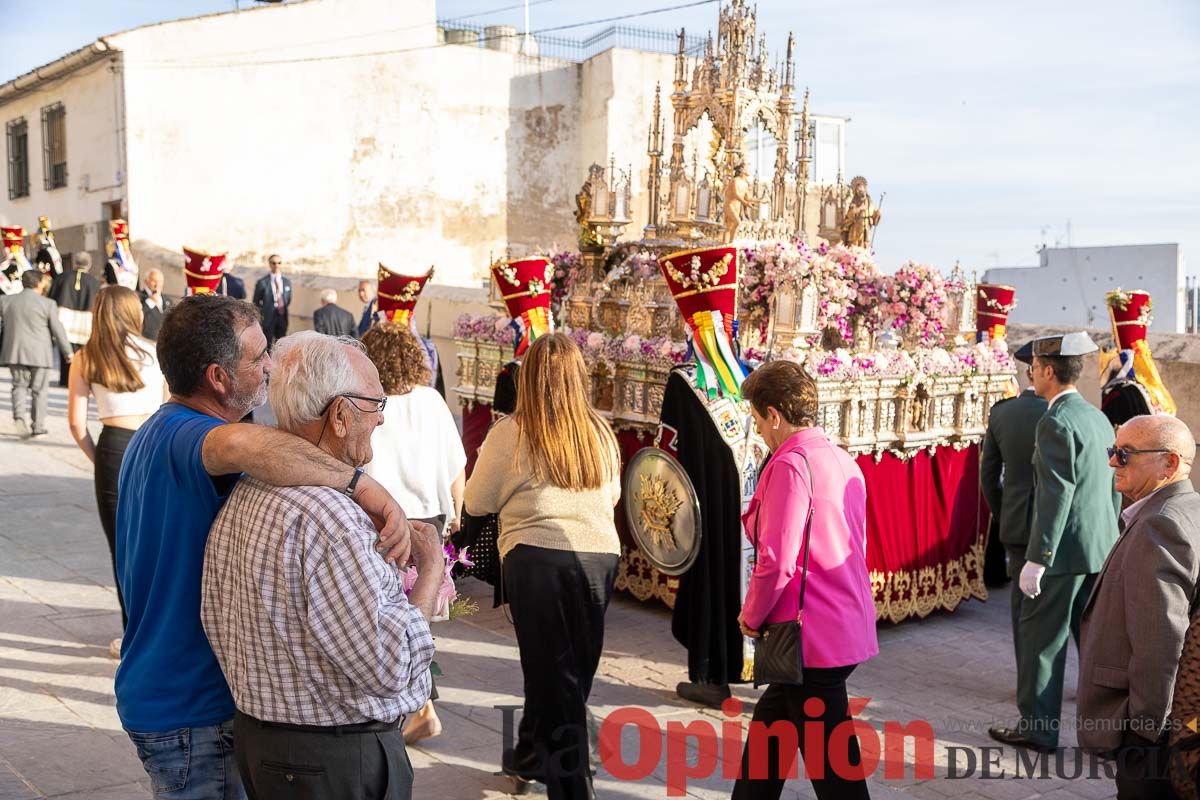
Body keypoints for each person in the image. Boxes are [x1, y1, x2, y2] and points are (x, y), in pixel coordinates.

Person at [114, 293, 414, 799]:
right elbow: (242, 445)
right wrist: (365, 487)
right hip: (191, 708)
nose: (270, 368)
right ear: (217, 377)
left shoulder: (156, 431)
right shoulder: (189, 434)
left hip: (169, 693)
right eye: (258, 358)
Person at [202, 331, 439, 799]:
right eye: (376, 406)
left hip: (264, 744)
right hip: (329, 763)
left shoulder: (249, 490)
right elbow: (392, 666)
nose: (381, 420)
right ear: (340, 416)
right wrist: (430, 570)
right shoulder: (333, 519)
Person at [464, 333, 621, 799]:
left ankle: (573, 790)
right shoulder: (600, 431)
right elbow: (611, 496)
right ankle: (531, 757)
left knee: (557, 679)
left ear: (528, 379)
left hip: (536, 559)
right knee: (567, 673)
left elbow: (477, 501)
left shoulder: (511, 431)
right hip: (598, 557)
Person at [731, 360, 877, 800]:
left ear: (774, 414)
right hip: (837, 625)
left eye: (757, 421)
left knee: (836, 773)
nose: (758, 432)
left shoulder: (790, 464)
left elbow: (776, 559)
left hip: (809, 635)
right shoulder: (841, 458)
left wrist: (751, 615)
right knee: (770, 739)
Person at [989, 332, 1121, 753]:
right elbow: (1113, 487)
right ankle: (1108, 728)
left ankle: (1039, 729)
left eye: (1034, 368)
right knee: (1096, 644)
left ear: (1047, 370)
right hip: (1096, 548)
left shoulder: (1056, 420)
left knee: (1041, 643)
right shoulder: (1096, 416)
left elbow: (1055, 494)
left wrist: (1038, 558)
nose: (1031, 374)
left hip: (1061, 553)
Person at [1077, 415, 1200, 799]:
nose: (1113, 462)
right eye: (1114, 451)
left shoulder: (1160, 524)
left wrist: (1147, 734)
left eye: (1125, 454)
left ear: (1171, 463)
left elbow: (1160, 641)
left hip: (1148, 729)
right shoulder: (1184, 507)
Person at [362, 321, 466, 745]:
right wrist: (457, 511)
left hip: (386, 517)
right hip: (432, 516)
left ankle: (419, 706)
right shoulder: (432, 400)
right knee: (419, 610)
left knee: (389, 615)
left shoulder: (369, 401)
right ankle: (418, 704)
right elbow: (456, 461)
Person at [67, 286, 167, 650]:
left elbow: (77, 425)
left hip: (113, 447)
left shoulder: (86, 356)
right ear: (133, 312)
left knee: (121, 547)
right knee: (156, 543)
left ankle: (132, 635)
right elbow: (170, 404)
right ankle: (158, 632)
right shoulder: (156, 352)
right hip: (153, 445)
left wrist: (101, 462)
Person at [979, 343, 1048, 655]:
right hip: (1061, 528)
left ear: (1029, 372)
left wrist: (1005, 510)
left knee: (1023, 607)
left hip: (1017, 521)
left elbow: (988, 478)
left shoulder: (1002, 412)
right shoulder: (1069, 413)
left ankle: (1028, 679)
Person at [0, 270, 73, 437]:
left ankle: (19, 418)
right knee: (39, 390)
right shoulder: (48, 304)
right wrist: (68, 352)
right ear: (39, 283)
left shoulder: (6, 301)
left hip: (15, 352)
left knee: (18, 386)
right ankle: (37, 426)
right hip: (40, 354)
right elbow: (57, 329)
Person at [49, 251, 101, 386]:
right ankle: (81, 379)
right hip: (85, 322)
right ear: (88, 264)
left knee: (66, 351)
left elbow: (51, 298)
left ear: (74, 263)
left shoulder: (61, 278)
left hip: (64, 320)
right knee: (84, 353)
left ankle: (66, 379)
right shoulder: (94, 282)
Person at [252, 254, 291, 347]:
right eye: (274, 263)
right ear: (270, 264)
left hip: (282, 317)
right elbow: (256, 301)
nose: (276, 265)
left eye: (279, 263)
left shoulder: (286, 281)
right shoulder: (262, 282)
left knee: (282, 345)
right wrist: (263, 314)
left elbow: (288, 299)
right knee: (268, 344)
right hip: (268, 318)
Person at [138, 269, 170, 340]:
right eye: (154, 281)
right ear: (146, 281)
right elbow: (136, 315)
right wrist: (150, 302)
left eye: (160, 281)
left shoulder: (168, 300)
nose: (157, 284)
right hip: (146, 341)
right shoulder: (138, 297)